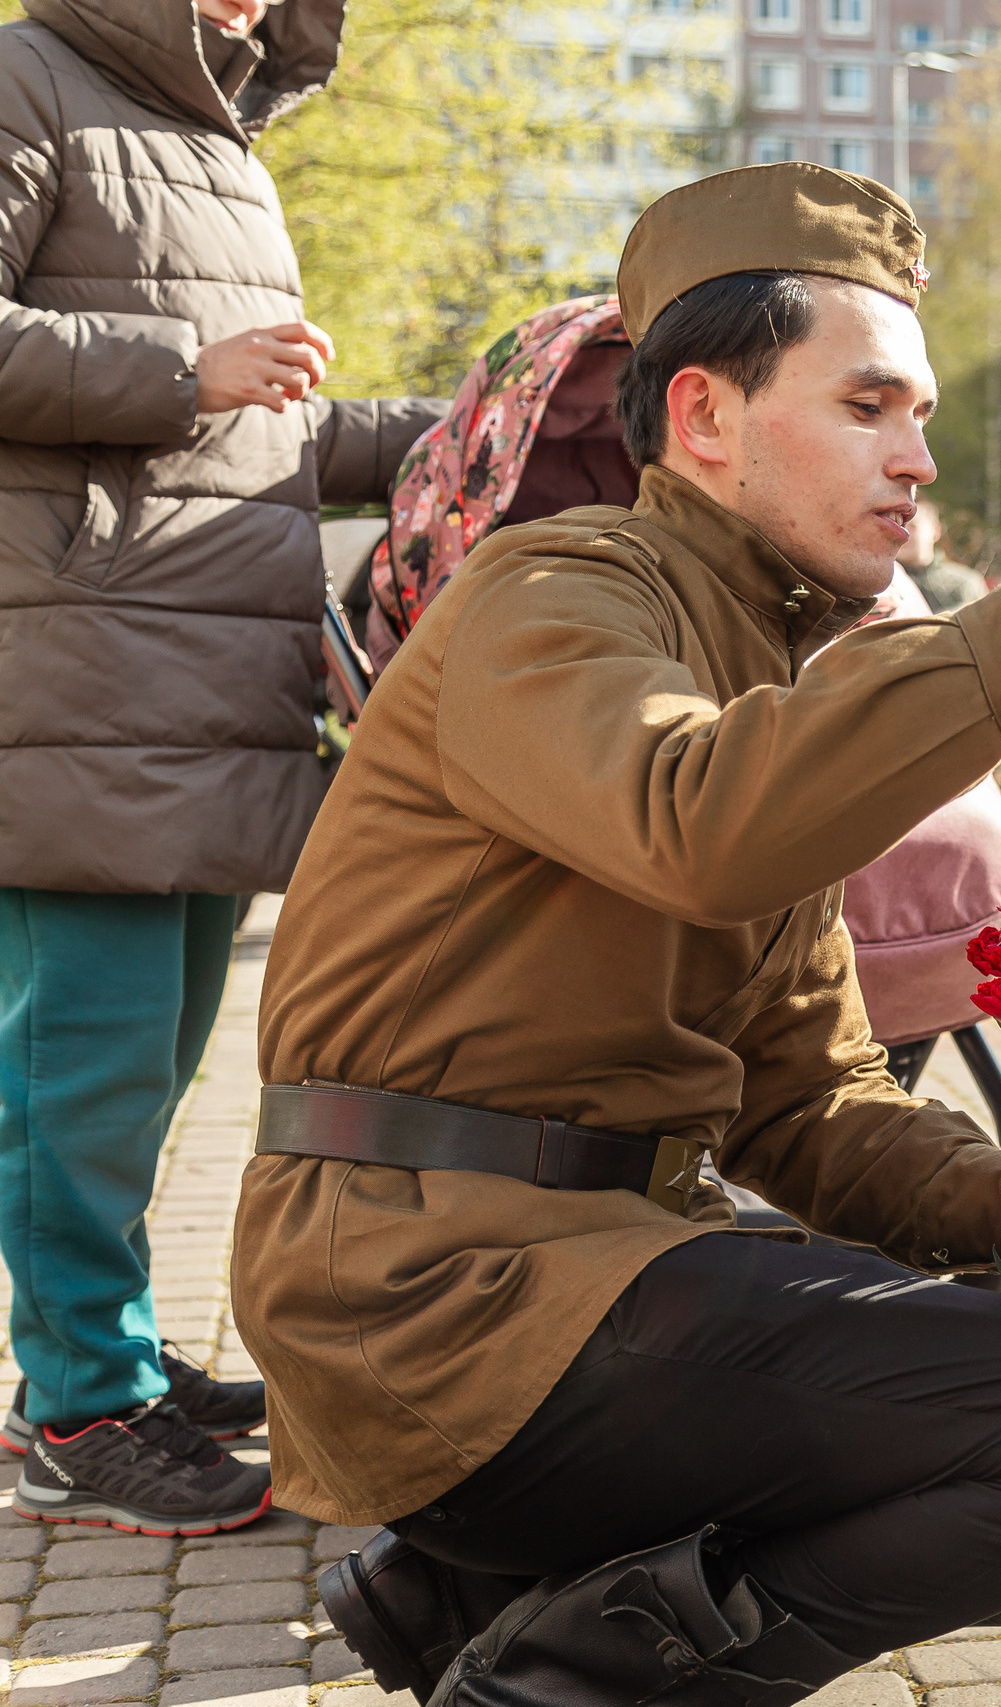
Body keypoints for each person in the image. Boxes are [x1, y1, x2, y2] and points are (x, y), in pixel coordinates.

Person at [231, 162, 1001, 1706]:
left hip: (604, 1271)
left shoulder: (777, 664)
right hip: (435, 1285)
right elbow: (700, 815)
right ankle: (557, 1676)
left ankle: (490, 1585)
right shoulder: (551, 595)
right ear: (705, 419)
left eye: (922, 416)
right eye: (871, 407)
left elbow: (804, 1096)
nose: (918, 458)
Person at [0, 0, 443, 1533]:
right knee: (86, 1074)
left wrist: (455, 433)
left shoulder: (220, 139)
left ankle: (95, 1353)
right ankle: (78, 1402)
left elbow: (262, 434)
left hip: (213, 678)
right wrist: (189, 361)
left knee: (153, 1069)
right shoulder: (25, 73)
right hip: (84, 677)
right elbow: (182, 384)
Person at [897, 498, 991, 612]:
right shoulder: (885, 586)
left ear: (935, 531)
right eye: (899, 526)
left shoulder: (963, 584)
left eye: (913, 526)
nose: (904, 533)